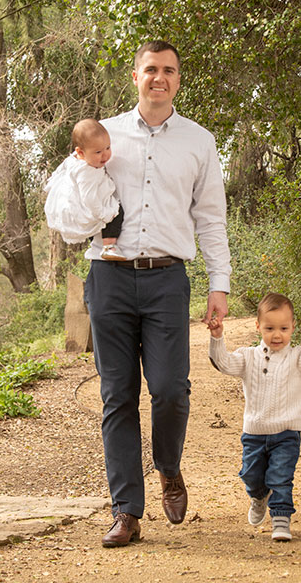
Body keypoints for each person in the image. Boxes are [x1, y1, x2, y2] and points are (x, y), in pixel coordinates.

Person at [84, 41, 231, 547]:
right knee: (116, 394)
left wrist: (219, 284)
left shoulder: (199, 142)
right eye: (151, 70)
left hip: (168, 279)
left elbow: (211, 218)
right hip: (109, 278)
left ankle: (168, 465)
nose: (159, 78)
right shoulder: (104, 134)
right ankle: (126, 509)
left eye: (169, 70)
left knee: (171, 388)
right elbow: (74, 190)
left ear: (178, 79)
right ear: (135, 76)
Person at [208, 293, 301, 541]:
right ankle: (257, 497)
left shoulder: (297, 357)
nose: (277, 335)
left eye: (284, 328)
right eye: (270, 328)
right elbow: (222, 362)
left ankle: (281, 519)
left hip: (286, 432)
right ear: (258, 327)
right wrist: (217, 337)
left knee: (281, 477)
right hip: (254, 433)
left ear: (293, 327)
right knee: (251, 476)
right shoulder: (248, 357)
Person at [44, 118, 126, 260]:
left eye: (108, 148)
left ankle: (100, 241)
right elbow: (89, 198)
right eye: (98, 152)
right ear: (81, 153)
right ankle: (109, 246)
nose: (105, 155)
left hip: (80, 201)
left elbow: (61, 169)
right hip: (87, 205)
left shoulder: (76, 160)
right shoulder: (87, 172)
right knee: (116, 211)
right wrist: (103, 214)